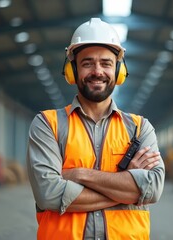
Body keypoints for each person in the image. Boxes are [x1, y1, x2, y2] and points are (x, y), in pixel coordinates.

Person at [26, 18, 165, 240]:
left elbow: (153, 189)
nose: (97, 71)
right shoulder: (47, 124)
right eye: (87, 63)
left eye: (106, 63)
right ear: (72, 70)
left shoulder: (140, 128)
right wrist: (128, 186)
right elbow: (49, 195)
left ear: (118, 71)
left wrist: (79, 174)